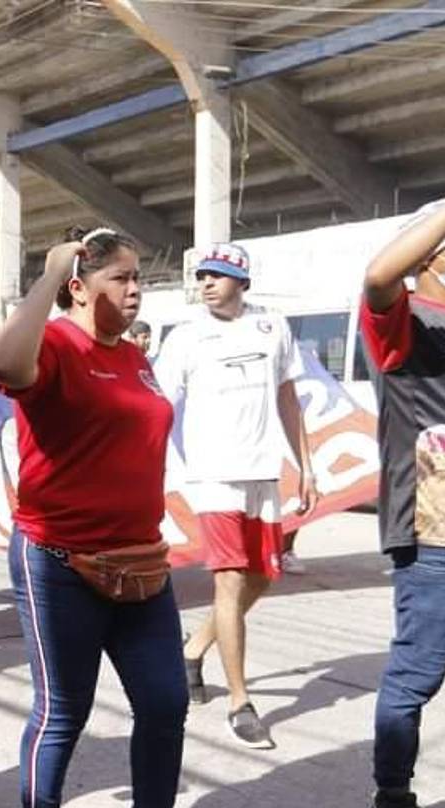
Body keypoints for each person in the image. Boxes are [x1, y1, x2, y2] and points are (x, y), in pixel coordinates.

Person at [0, 227, 186, 808]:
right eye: (120, 278)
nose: (135, 291)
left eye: (138, 279)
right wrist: (47, 276)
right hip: (57, 561)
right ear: (78, 288)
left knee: (166, 702)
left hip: (140, 563)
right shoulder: (52, 344)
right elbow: (1, 362)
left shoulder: (133, 356)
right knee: (63, 710)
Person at [154, 242, 317, 751]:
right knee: (228, 580)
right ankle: (239, 703)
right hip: (212, 476)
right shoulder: (185, 338)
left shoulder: (273, 328)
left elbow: (288, 398)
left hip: (262, 472)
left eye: (218, 275)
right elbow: (157, 405)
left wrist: (306, 466)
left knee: (263, 576)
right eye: (202, 275)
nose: (206, 283)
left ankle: (194, 648)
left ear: (242, 283)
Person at [360, 198, 445, 808]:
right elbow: (377, 277)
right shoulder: (403, 318)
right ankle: (392, 797)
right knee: (417, 674)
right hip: (436, 535)